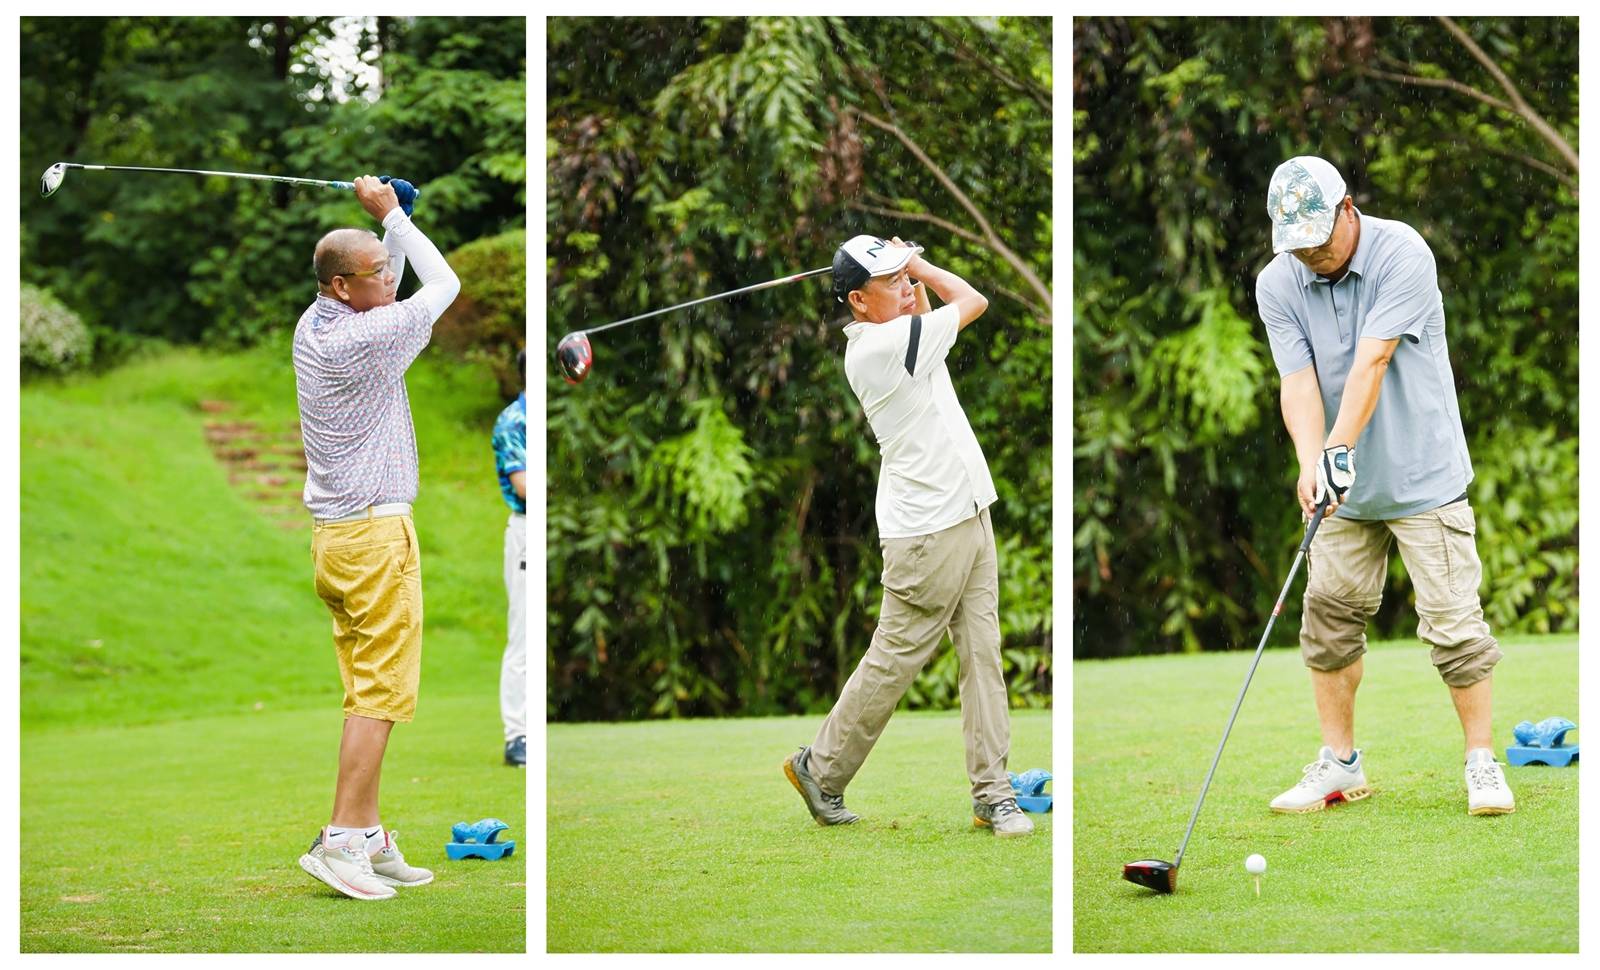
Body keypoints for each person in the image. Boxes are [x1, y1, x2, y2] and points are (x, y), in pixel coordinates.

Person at [1256, 155, 1514, 817]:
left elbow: (1373, 360)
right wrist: (1312, 463)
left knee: (1454, 625)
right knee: (1328, 621)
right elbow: (1297, 382)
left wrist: (1336, 451)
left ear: (1348, 210)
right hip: (1345, 491)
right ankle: (1339, 764)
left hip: (1425, 475)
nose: (1311, 254)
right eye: (1297, 245)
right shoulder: (1278, 283)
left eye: (1319, 239)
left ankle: (1481, 762)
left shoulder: (1402, 253)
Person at [783, 235, 1032, 837]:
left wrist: (903, 276)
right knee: (895, 658)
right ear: (858, 301)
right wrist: (919, 263)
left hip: (969, 510)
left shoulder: (902, 332)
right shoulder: (880, 346)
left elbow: (924, 312)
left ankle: (993, 794)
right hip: (926, 532)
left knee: (983, 655)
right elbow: (971, 300)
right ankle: (820, 767)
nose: (903, 286)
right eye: (889, 281)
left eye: (903, 277)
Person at [293, 174, 462, 899]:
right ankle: (340, 840)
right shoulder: (366, 335)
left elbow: (397, 274)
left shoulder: (316, 323)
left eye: (391, 270)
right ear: (340, 286)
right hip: (372, 537)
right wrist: (393, 217)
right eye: (377, 274)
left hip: (340, 540)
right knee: (380, 696)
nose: (391, 281)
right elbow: (445, 284)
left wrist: (393, 229)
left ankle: (366, 833)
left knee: (369, 689)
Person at [493, 350, 527, 767]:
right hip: (525, 530)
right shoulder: (514, 421)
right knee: (523, 635)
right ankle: (517, 735)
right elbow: (524, 486)